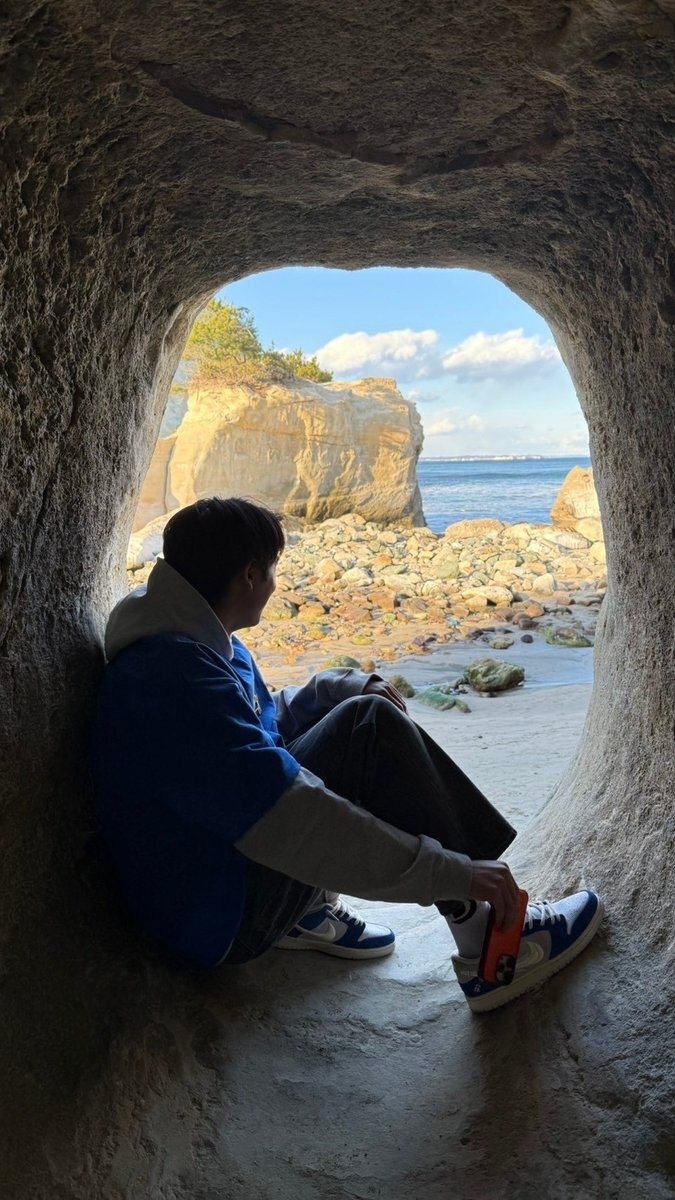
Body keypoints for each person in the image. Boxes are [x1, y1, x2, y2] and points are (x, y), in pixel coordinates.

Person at [92, 497, 603, 1013]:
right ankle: (493, 943)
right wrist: (457, 874)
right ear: (249, 575)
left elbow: (256, 725)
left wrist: (334, 685)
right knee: (368, 729)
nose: (275, 585)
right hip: (218, 918)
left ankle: (307, 910)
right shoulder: (174, 680)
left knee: (358, 713)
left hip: (215, 871)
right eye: (273, 571)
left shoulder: (191, 638)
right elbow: (291, 817)